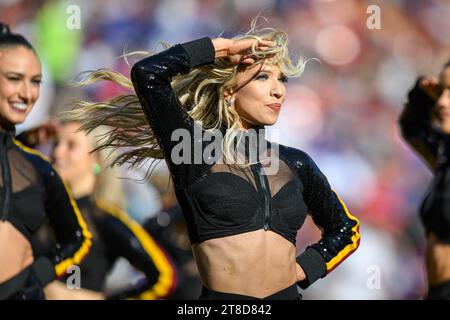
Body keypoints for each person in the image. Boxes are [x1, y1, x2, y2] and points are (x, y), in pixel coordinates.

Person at [68, 20, 361, 300]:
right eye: (263, 77)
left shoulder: (297, 163)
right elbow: (148, 74)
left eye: (281, 79)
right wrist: (222, 49)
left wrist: (304, 268)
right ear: (230, 90)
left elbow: (345, 229)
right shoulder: (193, 150)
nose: (278, 90)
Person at [28, 121, 178, 299]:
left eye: (71, 145)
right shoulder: (37, 208)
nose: (57, 152)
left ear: (96, 159)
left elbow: (166, 277)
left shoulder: (104, 218)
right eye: (56, 144)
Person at [0, 23, 92, 300]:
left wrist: (33, 278)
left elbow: (77, 239)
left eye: (35, 81)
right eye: (15, 78)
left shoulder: (38, 168)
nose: (27, 94)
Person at [399, 59, 450, 300]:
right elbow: (413, 128)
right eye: (441, 92)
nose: (441, 102)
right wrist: (420, 98)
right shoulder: (445, 155)